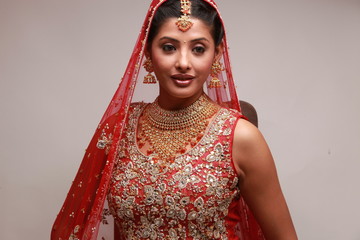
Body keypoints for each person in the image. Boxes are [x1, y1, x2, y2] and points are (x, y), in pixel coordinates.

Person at [51, 0, 297, 239]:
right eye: (169, 47)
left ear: (217, 54)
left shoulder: (241, 138)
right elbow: (73, 226)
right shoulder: (118, 128)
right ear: (147, 51)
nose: (183, 63)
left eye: (198, 49)